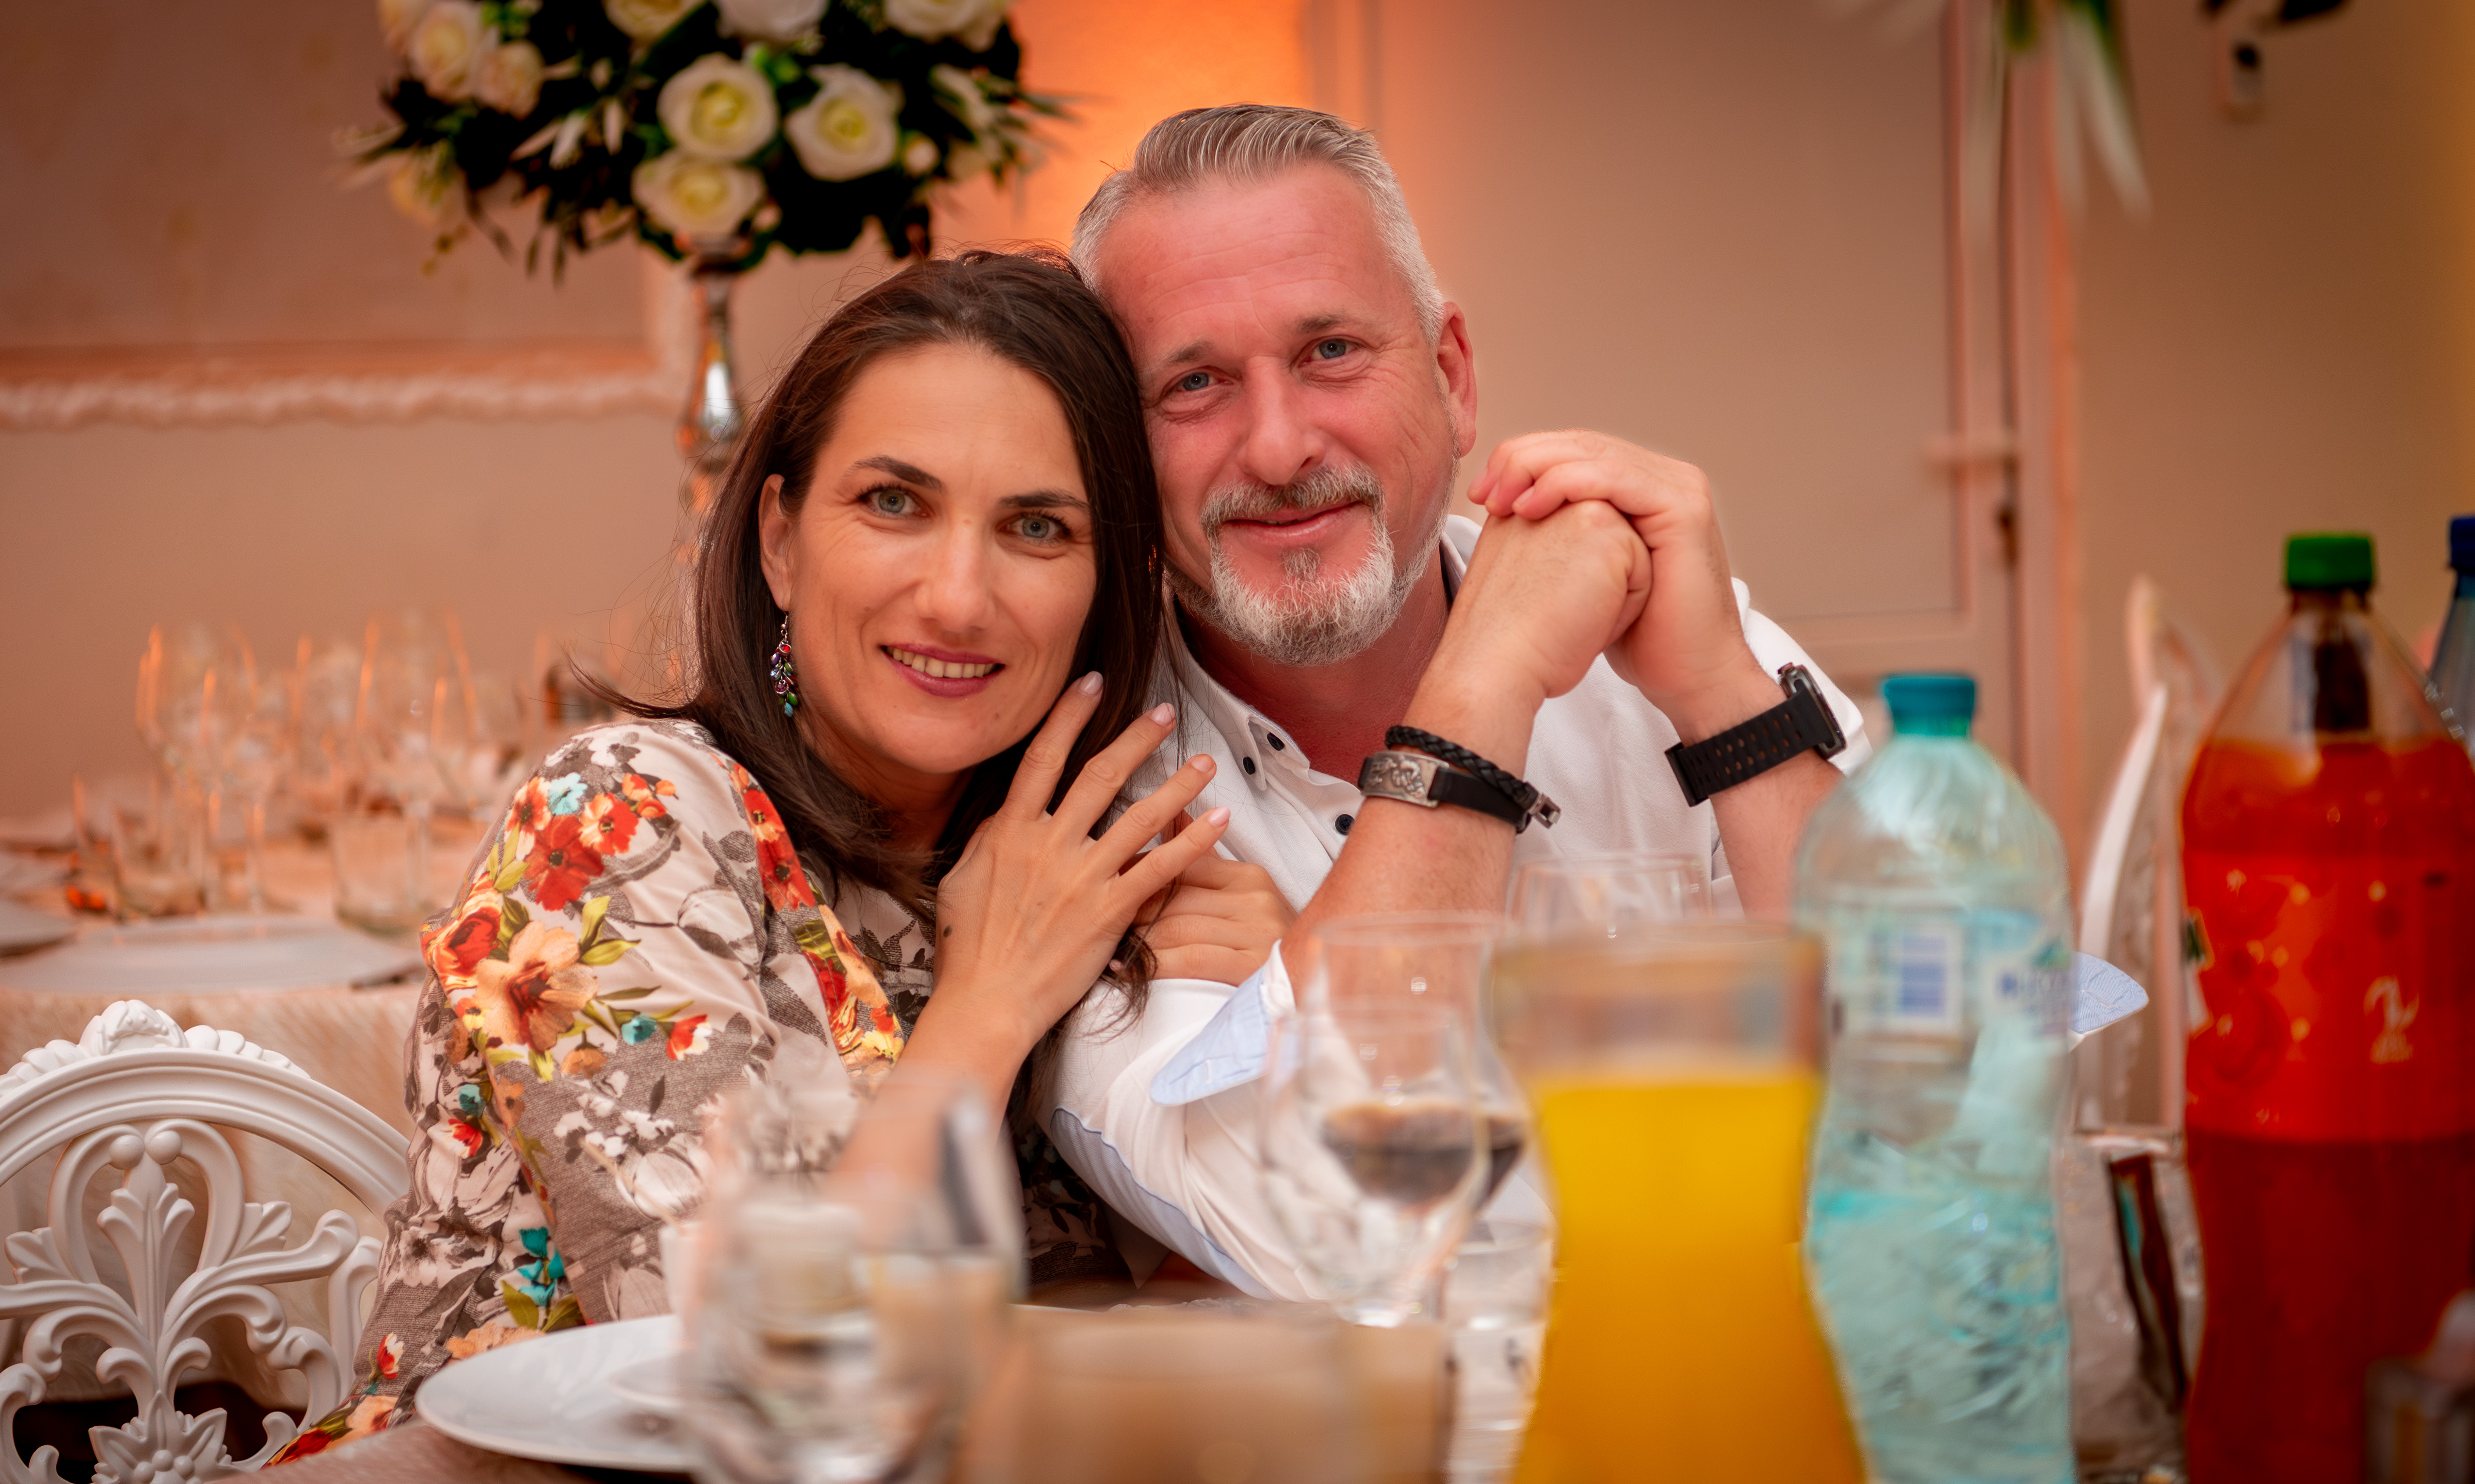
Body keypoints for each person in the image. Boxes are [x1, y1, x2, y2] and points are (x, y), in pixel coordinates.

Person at [275, 249, 1273, 1457]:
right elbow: (749, 1370)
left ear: (1105, 585)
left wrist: (1276, 1005)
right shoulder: (618, 818)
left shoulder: (1048, 875)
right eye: (893, 503)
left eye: (1036, 527)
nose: (958, 596)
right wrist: (990, 1005)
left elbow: (1098, 1325)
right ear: (780, 541)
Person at [1040, 105, 1875, 1296]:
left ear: (1452, 376)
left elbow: (1965, 1096)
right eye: (1194, 382)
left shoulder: (1689, 648)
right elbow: (1327, 1236)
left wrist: (1728, 703)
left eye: (1332, 351)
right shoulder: (1083, 792)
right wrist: (1482, 689)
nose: (1277, 448)